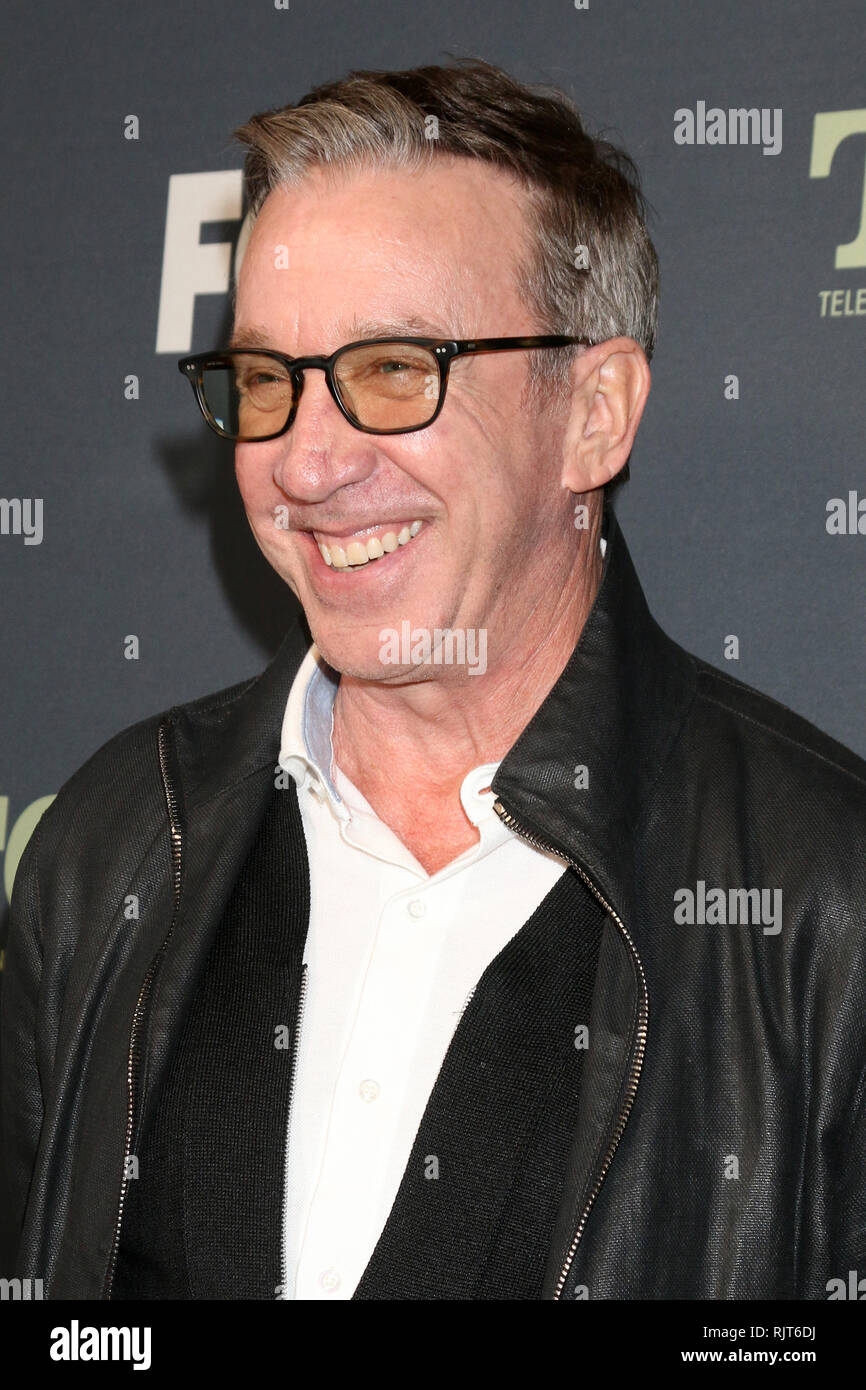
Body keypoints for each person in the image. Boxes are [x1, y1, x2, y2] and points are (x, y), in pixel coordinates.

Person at [2, 58, 864, 1302]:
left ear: (595, 413)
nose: (303, 463)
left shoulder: (822, 903)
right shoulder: (115, 839)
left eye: (395, 370)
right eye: (262, 381)